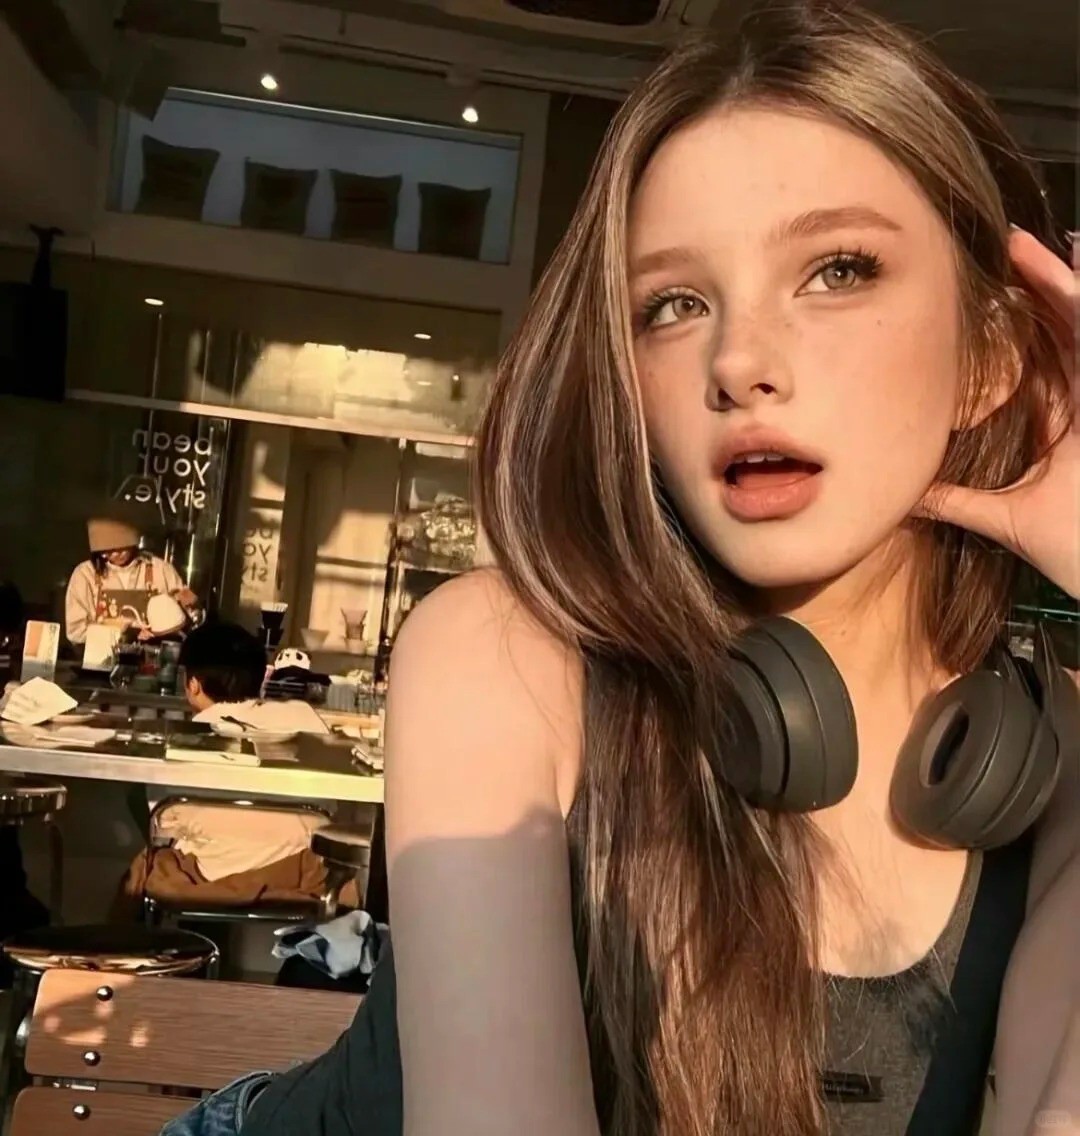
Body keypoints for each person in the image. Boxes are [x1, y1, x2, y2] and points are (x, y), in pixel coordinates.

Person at [160, 4, 1078, 1135]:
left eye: (837, 269)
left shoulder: (1060, 758)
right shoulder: (503, 656)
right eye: (674, 305)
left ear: (990, 354)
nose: (741, 361)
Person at [119, 622, 341, 911]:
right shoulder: (303, 716)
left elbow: (163, 821)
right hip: (299, 882)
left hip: (205, 883)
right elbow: (333, 805)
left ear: (193, 684)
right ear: (261, 678)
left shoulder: (190, 737)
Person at [65, 508, 198, 646]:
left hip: (152, 653)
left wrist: (186, 606)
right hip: (102, 654)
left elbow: (187, 619)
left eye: (121, 549)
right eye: (107, 551)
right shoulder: (85, 574)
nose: (115, 554)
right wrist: (124, 632)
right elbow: (75, 631)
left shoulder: (160, 569)